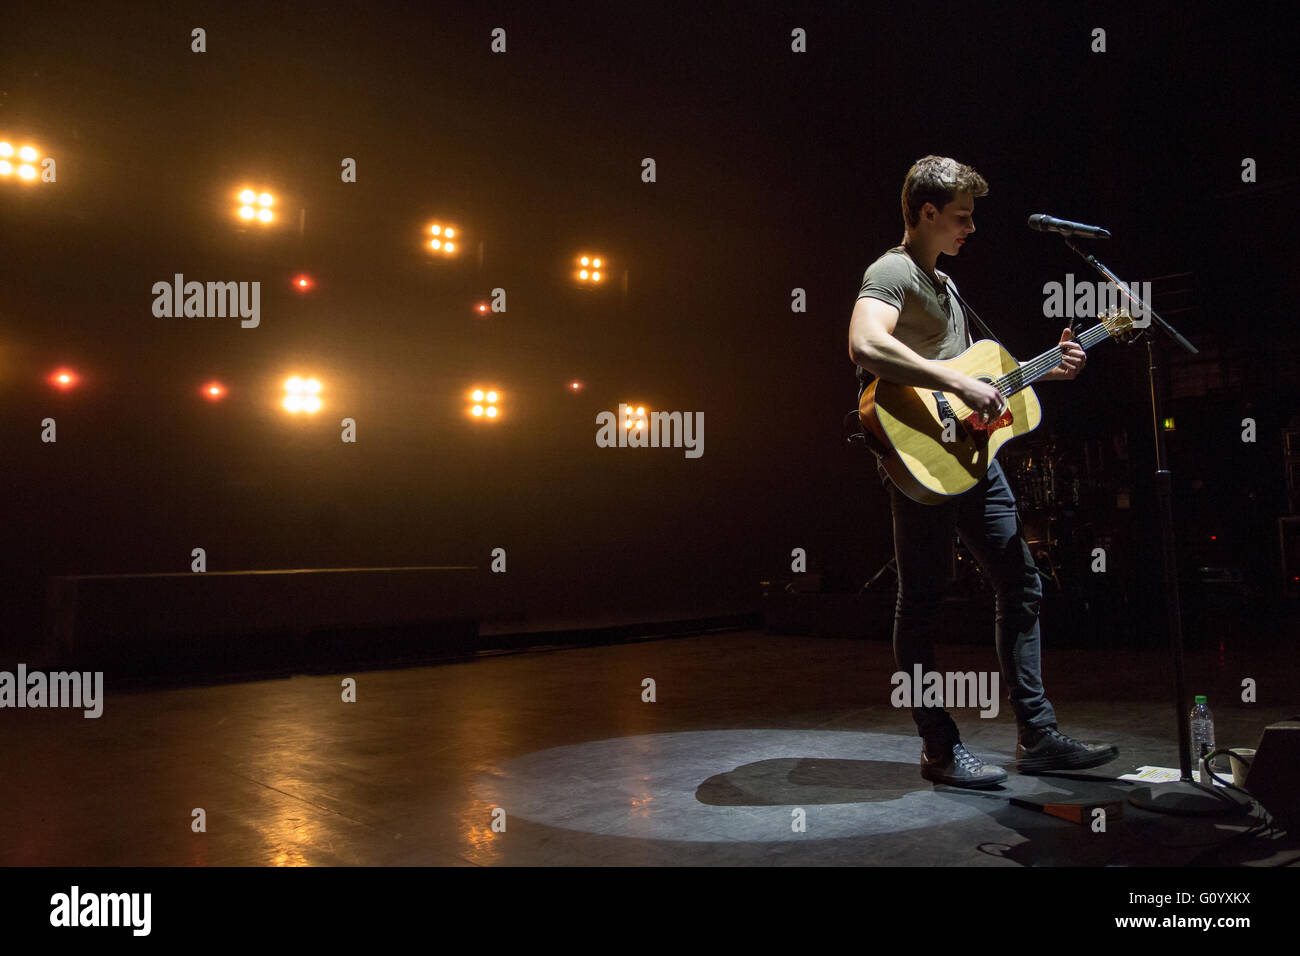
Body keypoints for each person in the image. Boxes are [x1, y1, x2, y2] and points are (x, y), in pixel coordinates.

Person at [847, 155, 1119, 788]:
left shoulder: (946, 285)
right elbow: (865, 344)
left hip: (974, 460)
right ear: (927, 213)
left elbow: (979, 376)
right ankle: (939, 749)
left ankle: (1039, 735)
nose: (970, 229)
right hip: (923, 456)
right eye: (961, 218)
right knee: (920, 602)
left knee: (1022, 585)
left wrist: (1047, 367)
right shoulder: (893, 271)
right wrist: (953, 382)